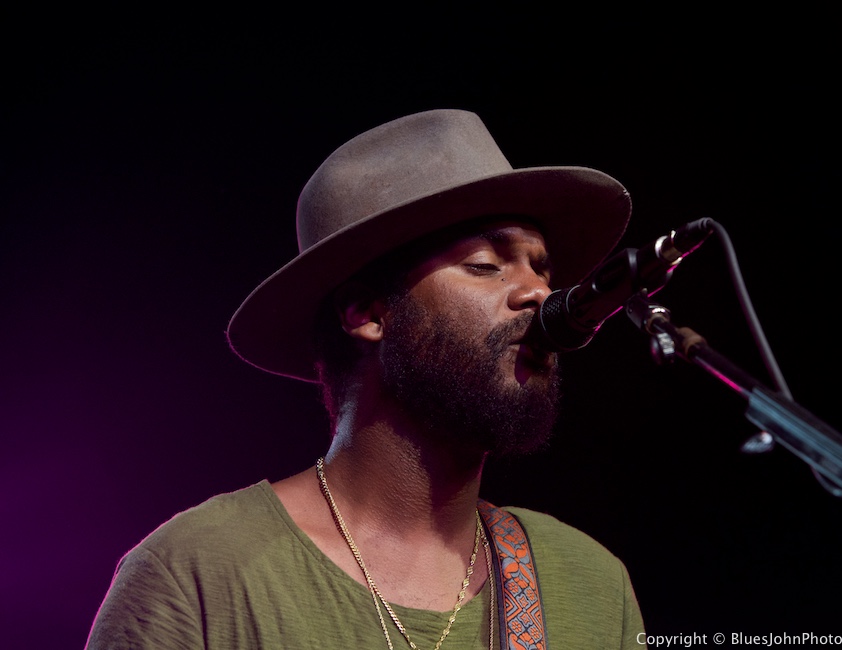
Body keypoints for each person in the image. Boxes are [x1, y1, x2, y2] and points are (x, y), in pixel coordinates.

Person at [85, 109, 646, 648]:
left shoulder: (593, 585)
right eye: (484, 264)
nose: (539, 294)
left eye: (541, 268)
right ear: (368, 313)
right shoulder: (197, 576)